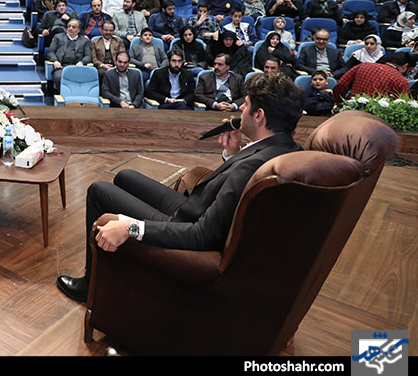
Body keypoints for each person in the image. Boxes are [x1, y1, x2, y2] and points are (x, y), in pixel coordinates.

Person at [56, 72, 304, 302]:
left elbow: (202, 235)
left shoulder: (251, 167)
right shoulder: (288, 149)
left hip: (185, 225)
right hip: (194, 207)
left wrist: (131, 227)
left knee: (99, 190)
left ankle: (91, 286)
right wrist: (232, 153)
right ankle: (122, 267)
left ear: (259, 115)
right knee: (125, 176)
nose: (241, 108)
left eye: (246, 104)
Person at [332, 51, 414, 102]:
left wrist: (338, 103)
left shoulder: (363, 65)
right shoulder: (401, 81)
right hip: (378, 120)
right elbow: (401, 105)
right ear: (405, 66)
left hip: (352, 111)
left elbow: (341, 85)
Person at [47, 18, 92, 91]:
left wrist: (82, 62)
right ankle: (63, 97)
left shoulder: (84, 41)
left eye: (74, 27)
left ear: (79, 30)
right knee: (59, 77)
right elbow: (51, 51)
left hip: (77, 67)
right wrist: (55, 61)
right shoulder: (58, 37)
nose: (70, 29)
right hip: (61, 66)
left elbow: (88, 56)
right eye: (69, 26)